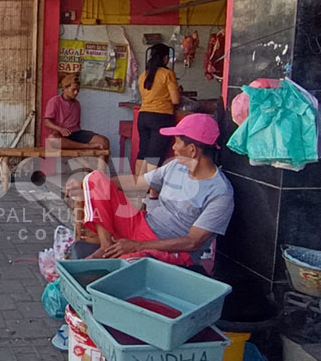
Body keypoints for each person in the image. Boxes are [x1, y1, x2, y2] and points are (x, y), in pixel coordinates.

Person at [74, 114, 233, 267]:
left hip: (170, 250)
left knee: (126, 264)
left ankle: (113, 257)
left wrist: (138, 246)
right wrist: (97, 187)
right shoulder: (176, 166)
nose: (173, 147)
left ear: (192, 150)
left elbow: (193, 242)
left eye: (177, 142)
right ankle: (106, 247)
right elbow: (139, 181)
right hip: (141, 225)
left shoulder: (220, 193)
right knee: (94, 178)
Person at [137, 44, 181, 174]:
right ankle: (151, 190)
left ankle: (138, 186)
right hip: (161, 117)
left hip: (143, 116)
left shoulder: (143, 75)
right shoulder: (168, 74)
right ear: (166, 58)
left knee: (143, 151)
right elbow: (176, 100)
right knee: (154, 155)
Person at [43, 74, 110, 150]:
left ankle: (101, 162)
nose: (76, 93)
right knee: (52, 139)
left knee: (104, 142)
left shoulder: (77, 104)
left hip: (75, 133)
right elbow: (47, 122)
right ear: (65, 88)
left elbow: (77, 126)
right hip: (60, 134)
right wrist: (60, 129)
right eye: (73, 90)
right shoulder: (54, 101)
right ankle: (86, 146)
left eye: (78, 90)